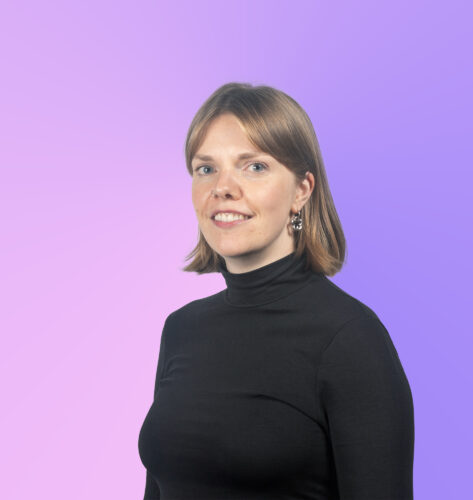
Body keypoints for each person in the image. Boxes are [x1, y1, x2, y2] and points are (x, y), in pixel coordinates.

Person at [138, 82, 414, 499]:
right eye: (206, 168)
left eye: (254, 166)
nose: (223, 187)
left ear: (301, 191)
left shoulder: (350, 338)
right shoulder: (182, 329)